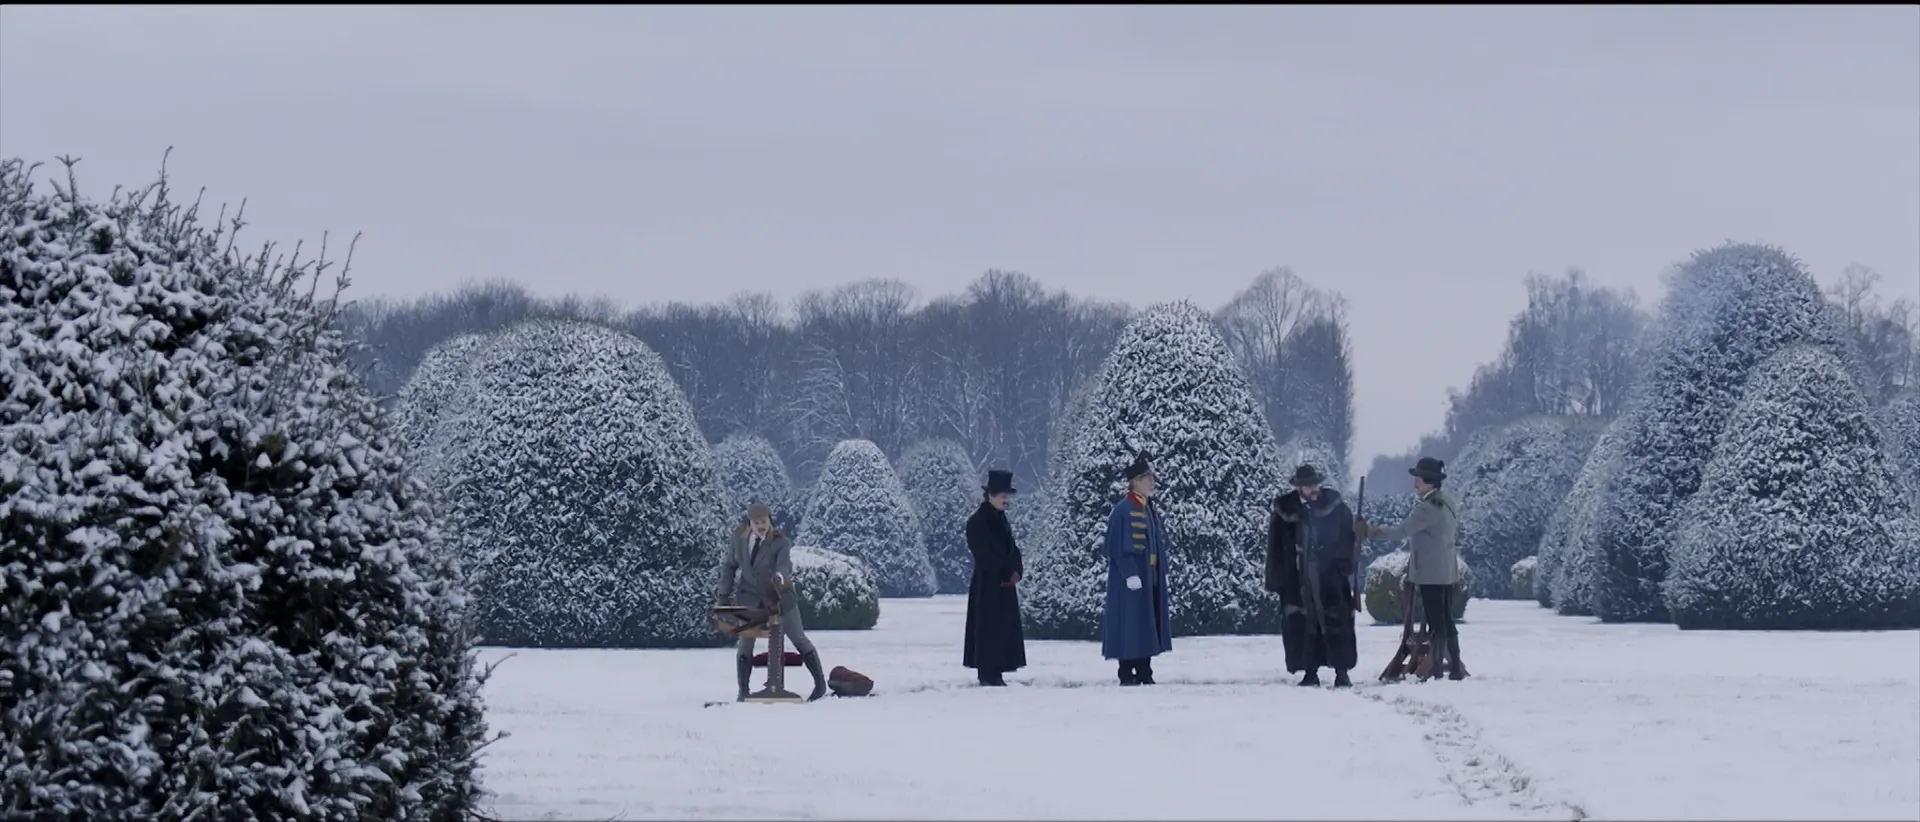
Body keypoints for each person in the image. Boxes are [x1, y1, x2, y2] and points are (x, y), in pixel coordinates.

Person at [1356, 457, 1464, 680]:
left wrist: (1369, 531)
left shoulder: (1426, 509)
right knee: (1446, 619)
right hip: (1446, 571)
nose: (1414, 482)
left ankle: (1437, 671)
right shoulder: (1447, 502)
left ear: (1429, 482)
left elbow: (1401, 531)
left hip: (1430, 574)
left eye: (1418, 478)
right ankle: (1454, 668)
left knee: (1437, 623)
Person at [717, 502, 827, 701]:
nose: (761, 526)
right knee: (745, 641)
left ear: (770, 520)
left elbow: (784, 566)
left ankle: (820, 685)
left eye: (764, 521)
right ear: (750, 522)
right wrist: (723, 594)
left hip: (780, 595)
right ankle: (743, 691)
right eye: (757, 522)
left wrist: (777, 579)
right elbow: (729, 566)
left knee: (798, 637)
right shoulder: (738, 538)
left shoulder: (780, 541)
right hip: (749, 596)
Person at [1266, 464, 1363, 687]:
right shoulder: (1285, 512)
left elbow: (1348, 539)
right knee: (1304, 623)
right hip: (1297, 576)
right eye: (1308, 485)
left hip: (1330, 575)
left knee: (1335, 620)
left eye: (1315, 483)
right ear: (1300, 487)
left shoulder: (1337, 508)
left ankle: (1342, 671)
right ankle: (1310, 671)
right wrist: (1277, 577)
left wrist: (1344, 562)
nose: (1313, 488)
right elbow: (1275, 547)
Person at [1102, 453, 1173, 686]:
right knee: (1130, 624)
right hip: (1130, 578)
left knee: (1146, 623)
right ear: (1134, 482)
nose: (1152, 482)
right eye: (1147, 478)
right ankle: (1126, 672)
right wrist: (1130, 573)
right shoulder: (1123, 510)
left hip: (1149, 574)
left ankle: (1145, 670)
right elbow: (1116, 546)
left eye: (1152, 478)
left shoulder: (1148, 508)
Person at [963, 469, 1027, 687]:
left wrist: (1016, 571)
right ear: (990, 494)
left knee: (1003, 628)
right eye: (1002, 495)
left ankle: (999, 668)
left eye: (1007, 495)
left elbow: (1012, 549)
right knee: (988, 628)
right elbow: (983, 553)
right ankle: (987, 671)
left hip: (1005, 584)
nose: (1005, 499)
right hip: (987, 584)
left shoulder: (1002, 519)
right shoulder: (977, 521)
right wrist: (1003, 572)